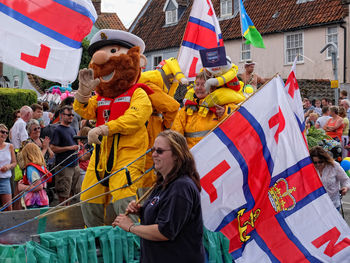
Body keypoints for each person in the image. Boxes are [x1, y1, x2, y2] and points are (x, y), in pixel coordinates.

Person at [73, 29, 152, 227]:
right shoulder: (100, 98)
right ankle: (97, 242)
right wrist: (83, 93)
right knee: (88, 198)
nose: (101, 59)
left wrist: (104, 129)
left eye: (114, 51)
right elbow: (85, 110)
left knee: (124, 199)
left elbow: (135, 118)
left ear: (137, 61)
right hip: (100, 159)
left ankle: (132, 242)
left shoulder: (139, 94)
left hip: (128, 156)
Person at [113, 130, 205, 263]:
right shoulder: (163, 183)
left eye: (160, 151)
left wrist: (131, 227)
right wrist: (141, 211)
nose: (154, 155)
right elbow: (164, 215)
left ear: (176, 155)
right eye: (153, 150)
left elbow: (165, 231)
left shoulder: (181, 187)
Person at [172, 71, 237, 148]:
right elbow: (175, 135)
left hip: (215, 156)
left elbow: (238, 125)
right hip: (191, 156)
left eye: (203, 85)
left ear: (212, 88)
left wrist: (224, 114)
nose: (199, 88)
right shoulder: (187, 109)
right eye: (197, 84)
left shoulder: (222, 107)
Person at [50, 105, 80, 204]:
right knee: (63, 195)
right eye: (69, 115)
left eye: (72, 115)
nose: (71, 117)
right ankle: (62, 215)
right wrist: (70, 148)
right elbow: (53, 148)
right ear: (62, 115)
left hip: (75, 164)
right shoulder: (58, 130)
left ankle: (68, 213)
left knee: (71, 192)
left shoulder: (72, 129)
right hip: (64, 166)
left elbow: (74, 143)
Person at [17, 143, 51, 209]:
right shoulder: (42, 166)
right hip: (44, 200)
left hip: (34, 203)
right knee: (43, 219)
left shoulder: (31, 168)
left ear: (26, 155)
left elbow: (39, 187)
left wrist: (22, 187)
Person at [0, 124, 16, 211]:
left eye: (6, 132)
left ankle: (8, 225)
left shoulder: (10, 146)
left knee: (8, 207)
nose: (5, 134)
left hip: (5, 180)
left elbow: (14, 163)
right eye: (2, 132)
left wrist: (8, 166)